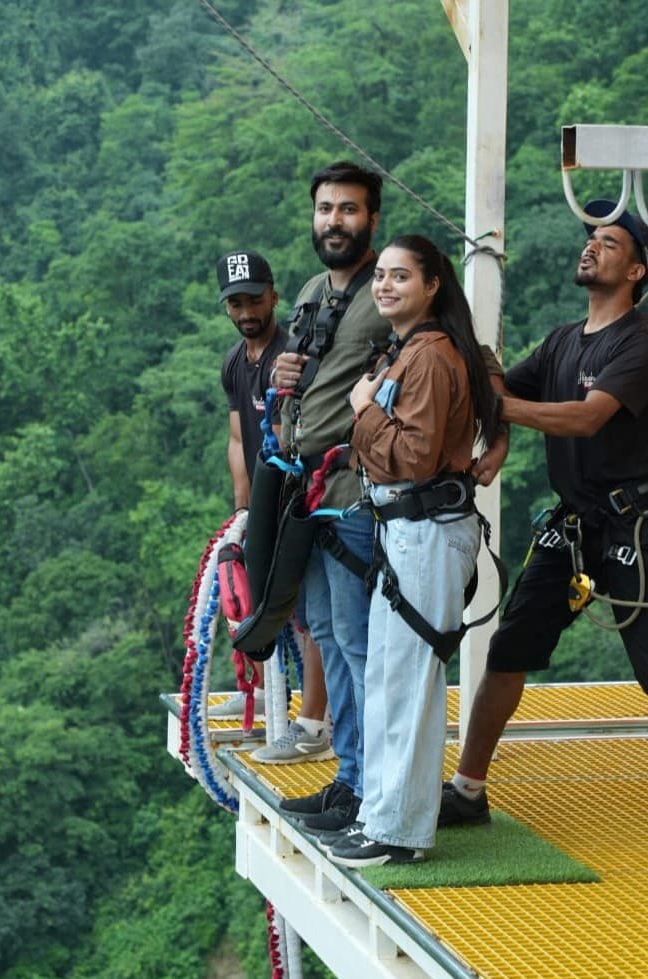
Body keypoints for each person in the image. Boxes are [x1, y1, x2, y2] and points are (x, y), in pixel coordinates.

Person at [437, 199, 648, 851]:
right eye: (590, 238)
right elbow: (507, 386)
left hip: (632, 532)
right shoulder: (563, 340)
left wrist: (495, 405)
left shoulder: (644, 341)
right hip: (575, 534)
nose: (591, 246)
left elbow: (585, 418)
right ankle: (468, 790)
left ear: (638, 269)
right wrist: (473, 358)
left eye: (609, 242)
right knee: (511, 648)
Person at [316, 235, 500, 868]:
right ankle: (384, 818)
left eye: (401, 276)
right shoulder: (423, 350)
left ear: (432, 286)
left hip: (424, 526)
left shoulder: (428, 356)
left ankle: (397, 830)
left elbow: (415, 454)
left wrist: (361, 412)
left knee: (407, 681)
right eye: (382, 276)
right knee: (393, 678)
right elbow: (491, 376)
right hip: (411, 530)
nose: (385, 285)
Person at [271, 161, 394, 833]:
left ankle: (377, 786)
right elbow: (305, 378)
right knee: (326, 633)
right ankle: (351, 776)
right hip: (305, 489)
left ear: (372, 218)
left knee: (356, 640)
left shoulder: (391, 291)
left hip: (353, 493)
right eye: (325, 209)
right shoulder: (315, 290)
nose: (335, 221)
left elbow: (454, 356)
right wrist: (285, 368)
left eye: (348, 210)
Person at [210, 250, 331, 762]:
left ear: (274, 296)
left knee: (311, 613)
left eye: (254, 299)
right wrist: (243, 512)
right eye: (235, 303)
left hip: (304, 500)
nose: (246, 312)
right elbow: (239, 438)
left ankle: (313, 726)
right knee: (255, 596)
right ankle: (261, 692)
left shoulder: (292, 355)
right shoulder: (236, 364)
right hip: (264, 501)